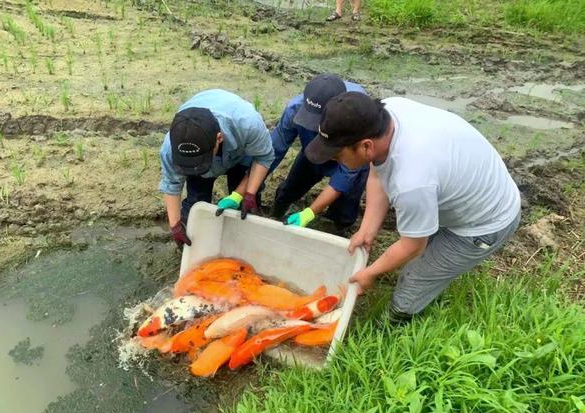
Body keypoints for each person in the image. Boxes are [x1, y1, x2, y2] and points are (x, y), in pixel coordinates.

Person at [306, 92, 521, 322]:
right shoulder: (386, 112)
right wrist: (367, 229)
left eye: (338, 155)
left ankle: (392, 325)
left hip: (485, 222)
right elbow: (378, 173)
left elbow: (413, 246)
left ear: (366, 146)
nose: (334, 161)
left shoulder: (411, 181)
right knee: (421, 245)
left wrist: (371, 273)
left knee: (414, 276)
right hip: (463, 184)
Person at [159, 89, 275, 247]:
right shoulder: (169, 148)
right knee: (195, 205)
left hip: (239, 153)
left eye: (200, 160)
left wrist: (245, 195)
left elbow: (263, 157)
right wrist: (175, 226)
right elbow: (171, 183)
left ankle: (244, 241)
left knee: (245, 207)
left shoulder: (247, 124)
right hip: (202, 150)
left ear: (219, 139)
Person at [269, 74, 369, 231]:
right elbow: (274, 150)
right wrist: (249, 190)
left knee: (345, 207)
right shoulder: (295, 108)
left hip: (347, 155)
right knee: (289, 190)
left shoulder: (356, 120)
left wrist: (309, 213)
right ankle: (276, 214)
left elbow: (345, 175)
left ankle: (337, 229)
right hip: (312, 152)